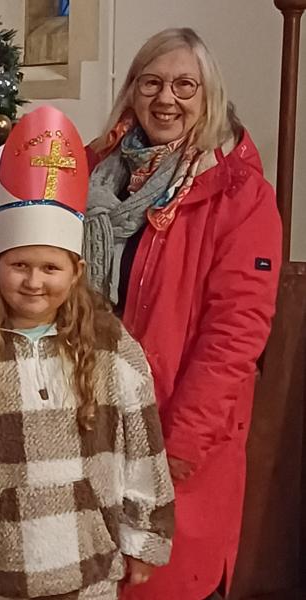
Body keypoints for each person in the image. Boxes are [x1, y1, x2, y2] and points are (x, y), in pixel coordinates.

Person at [0, 106, 174, 600]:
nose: (34, 281)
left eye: (49, 268)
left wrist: (144, 534)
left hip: (87, 565)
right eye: (19, 265)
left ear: (75, 271)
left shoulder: (111, 348)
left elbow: (143, 445)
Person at [82, 28, 282, 600]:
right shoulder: (94, 173)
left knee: (157, 581)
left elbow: (235, 334)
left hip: (171, 427)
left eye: (184, 85)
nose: (166, 98)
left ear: (208, 96)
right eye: (151, 82)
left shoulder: (238, 192)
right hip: (87, 417)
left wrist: (182, 444)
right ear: (132, 91)